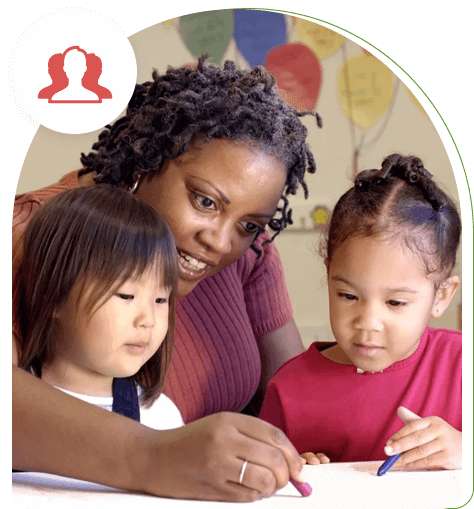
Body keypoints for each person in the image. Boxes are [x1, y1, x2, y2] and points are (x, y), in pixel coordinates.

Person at [13, 54, 321, 501]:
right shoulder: (36, 233)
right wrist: (152, 455)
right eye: (205, 201)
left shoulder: (246, 253)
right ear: (145, 163)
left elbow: (298, 405)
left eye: (249, 224)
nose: (220, 241)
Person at [259, 154, 462, 471]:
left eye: (395, 303)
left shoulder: (461, 363)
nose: (367, 323)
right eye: (348, 295)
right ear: (329, 277)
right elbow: (265, 479)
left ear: (442, 295)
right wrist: (290, 471)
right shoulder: (288, 389)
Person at [14, 185, 183, 429]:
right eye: (126, 296)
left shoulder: (160, 419)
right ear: (54, 297)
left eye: (161, 300)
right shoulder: (18, 399)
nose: (148, 320)